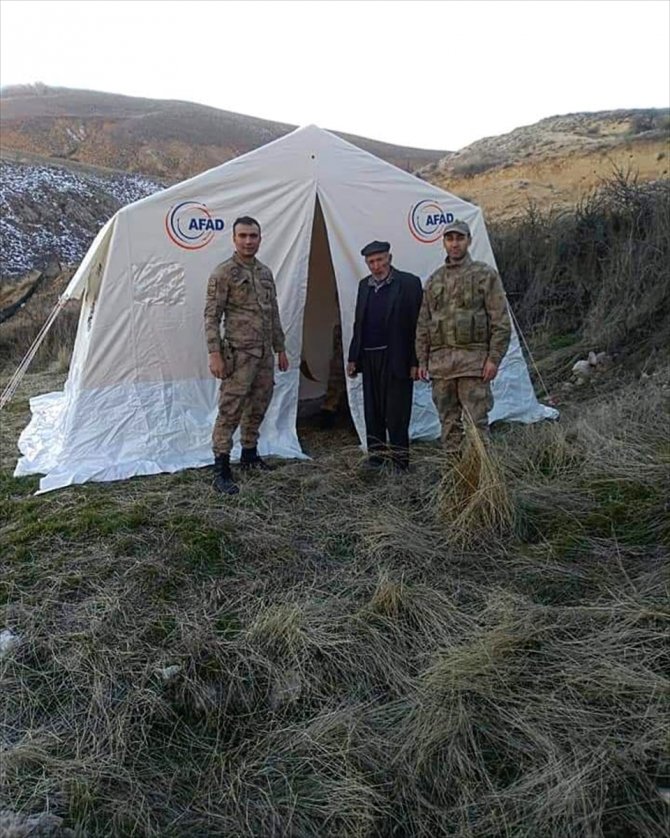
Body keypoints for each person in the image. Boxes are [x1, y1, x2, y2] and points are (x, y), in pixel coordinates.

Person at [204, 216, 289, 494]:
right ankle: (221, 467)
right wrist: (214, 353)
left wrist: (280, 348)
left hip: (264, 354)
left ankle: (249, 454)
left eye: (253, 236)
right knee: (230, 410)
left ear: (260, 239)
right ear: (234, 238)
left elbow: (273, 313)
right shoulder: (223, 273)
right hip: (239, 355)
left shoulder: (264, 273)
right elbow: (211, 316)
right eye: (243, 236)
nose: (248, 241)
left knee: (259, 404)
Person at [415, 219, 511, 453]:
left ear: (469, 241)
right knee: (448, 425)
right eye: (450, 239)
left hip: (473, 364)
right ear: (444, 243)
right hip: (442, 369)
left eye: (460, 238)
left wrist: (493, 359)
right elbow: (423, 324)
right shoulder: (434, 280)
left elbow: (500, 321)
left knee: (477, 425)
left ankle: (484, 478)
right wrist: (422, 361)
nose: (455, 244)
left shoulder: (485, 275)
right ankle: (456, 477)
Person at [347, 240, 423, 472]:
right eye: (371, 262)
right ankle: (376, 458)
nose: (376, 266)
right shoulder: (364, 286)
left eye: (380, 260)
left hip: (397, 358)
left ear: (389, 257)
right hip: (370, 359)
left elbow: (418, 326)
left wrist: (415, 361)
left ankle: (400, 462)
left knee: (397, 412)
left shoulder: (409, 283)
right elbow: (359, 323)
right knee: (373, 410)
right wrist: (353, 357)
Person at [318, 321, 346, 430]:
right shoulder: (339, 327)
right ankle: (327, 421)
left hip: (339, 361)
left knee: (334, 391)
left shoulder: (338, 327)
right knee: (334, 391)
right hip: (339, 362)